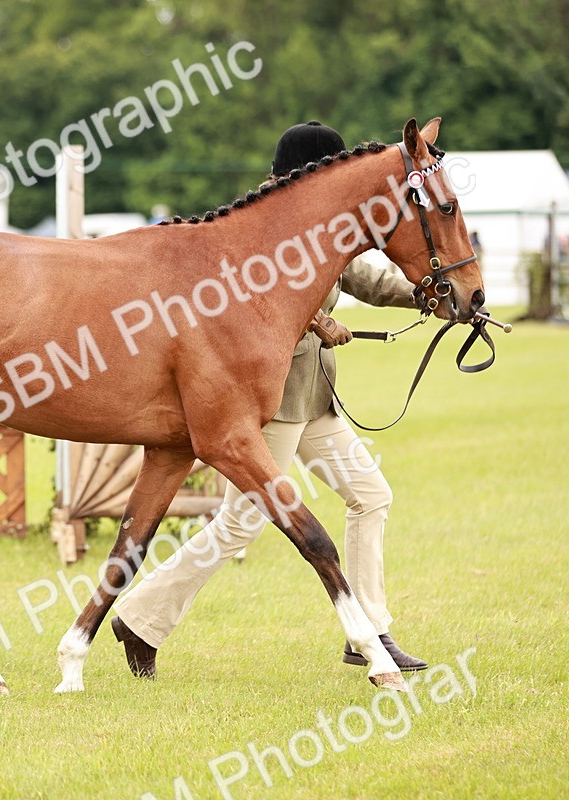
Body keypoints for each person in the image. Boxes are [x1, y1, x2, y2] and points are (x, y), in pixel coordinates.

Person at [111, 121, 427, 678]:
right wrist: (315, 320)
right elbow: (242, 310)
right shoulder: (261, 230)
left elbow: (366, 279)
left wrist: (432, 294)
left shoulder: (326, 228)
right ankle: (140, 617)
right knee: (240, 525)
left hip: (316, 402)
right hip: (269, 404)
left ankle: (371, 632)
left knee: (371, 495)